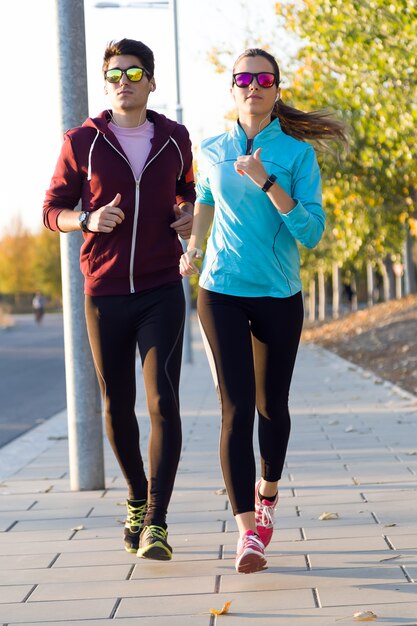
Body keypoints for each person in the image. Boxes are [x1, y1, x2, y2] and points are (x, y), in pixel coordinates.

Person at [180, 48, 347, 574]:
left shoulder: (296, 156)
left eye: (263, 78)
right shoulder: (209, 147)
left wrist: (267, 182)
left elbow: (312, 233)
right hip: (221, 289)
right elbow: (205, 198)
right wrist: (195, 248)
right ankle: (248, 532)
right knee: (237, 408)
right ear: (232, 89)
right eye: (244, 78)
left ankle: (268, 489)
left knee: (272, 404)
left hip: (278, 292)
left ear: (276, 90)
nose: (253, 85)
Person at [43, 39, 195, 561]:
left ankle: (156, 520)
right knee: (116, 404)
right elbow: (52, 210)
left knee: (163, 401)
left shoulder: (174, 138)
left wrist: (189, 212)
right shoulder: (81, 140)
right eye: (114, 74)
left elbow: (188, 191)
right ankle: (135, 494)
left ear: (152, 81)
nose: (124, 81)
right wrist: (85, 219)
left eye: (134, 72)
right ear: (105, 84)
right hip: (103, 292)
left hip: (160, 288)